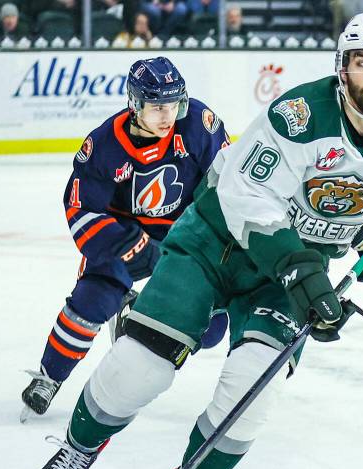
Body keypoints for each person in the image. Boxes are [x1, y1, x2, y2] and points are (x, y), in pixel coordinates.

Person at [27, 13, 363, 469]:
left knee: (253, 391)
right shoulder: (297, 116)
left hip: (295, 268)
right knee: (139, 367)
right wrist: (295, 264)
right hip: (215, 244)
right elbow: (245, 195)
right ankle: (81, 445)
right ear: (342, 69)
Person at [20, 57, 230, 421]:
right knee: (93, 300)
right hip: (124, 232)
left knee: (210, 330)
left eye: (175, 104)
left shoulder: (198, 124)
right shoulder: (104, 145)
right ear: (135, 104)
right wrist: (129, 245)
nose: (169, 115)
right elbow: (82, 208)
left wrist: (211, 238)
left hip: (186, 229)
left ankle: (139, 324)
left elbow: (227, 183)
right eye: (158, 107)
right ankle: (49, 377)